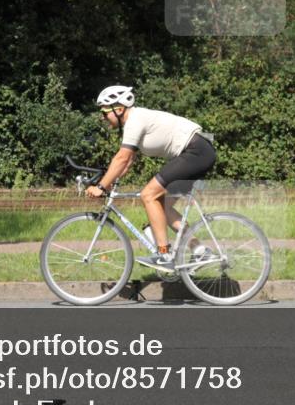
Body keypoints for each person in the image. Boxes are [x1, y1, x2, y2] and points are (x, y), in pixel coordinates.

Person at [86, 85, 216, 271]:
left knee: (148, 195)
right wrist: (111, 183)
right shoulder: (135, 121)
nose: (103, 117)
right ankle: (200, 250)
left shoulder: (135, 120)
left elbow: (122, 158)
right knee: (162, 205)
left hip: (195, 152)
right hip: (199, 152)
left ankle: (164, 255)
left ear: (119, 109)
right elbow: (128, 161)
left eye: (105, 112)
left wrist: (101, 187)